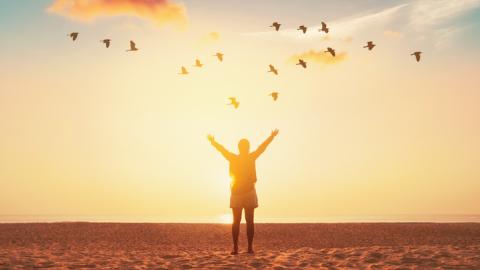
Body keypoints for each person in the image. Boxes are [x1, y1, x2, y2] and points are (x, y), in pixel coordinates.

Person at [207, 129, 279, 255]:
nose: (246, 148)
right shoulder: (244, 157)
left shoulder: (240, 157)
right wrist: (213, 142)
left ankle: (242, 248)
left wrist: (271, 137)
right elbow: (261, 148)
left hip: (244, 192)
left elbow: (261, 148)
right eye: (245, 146)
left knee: (241, 221)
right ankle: (242, 248)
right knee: (243, 221)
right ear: (243, 148)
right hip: (241, 193)